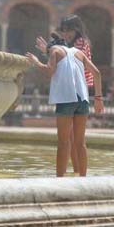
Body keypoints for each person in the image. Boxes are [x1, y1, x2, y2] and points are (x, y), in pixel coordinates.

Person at [26, 33, 104, 177]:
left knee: (63, 142)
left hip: (65, 99)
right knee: (80, 143)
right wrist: (98, 98)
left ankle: (60, 180)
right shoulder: (78, 52)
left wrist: (36, 62)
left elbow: (49, 71)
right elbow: (97, 73)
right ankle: (83, 179)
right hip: (83, 101)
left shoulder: (55, 51)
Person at [36, 14, 93, 174]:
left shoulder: (79, 43)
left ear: (77, 29)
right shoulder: (75, 43)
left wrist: (48, 51)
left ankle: (75, 172)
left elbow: (71, 62)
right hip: (79, 90)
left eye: (69, 30)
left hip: (76, 90)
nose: (66, 34)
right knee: (74, 138)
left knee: (71, 139)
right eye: (64, 31)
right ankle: (77, 172)